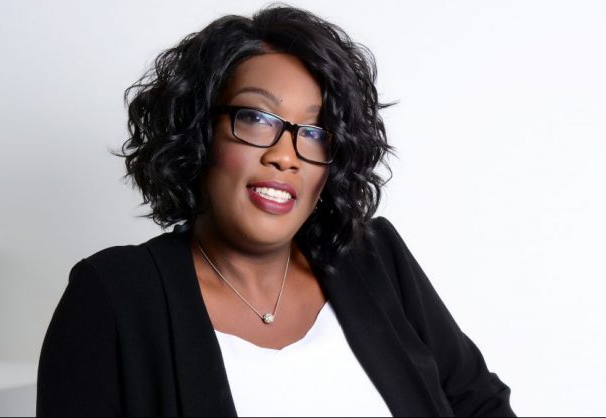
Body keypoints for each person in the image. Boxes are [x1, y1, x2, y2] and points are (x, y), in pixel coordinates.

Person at [36, 5, 515, 417]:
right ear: (199, 133)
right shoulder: (115, 295)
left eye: (315, 131)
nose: (286, 155)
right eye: (257, 118)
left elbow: (479, 405)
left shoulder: (374, 259)